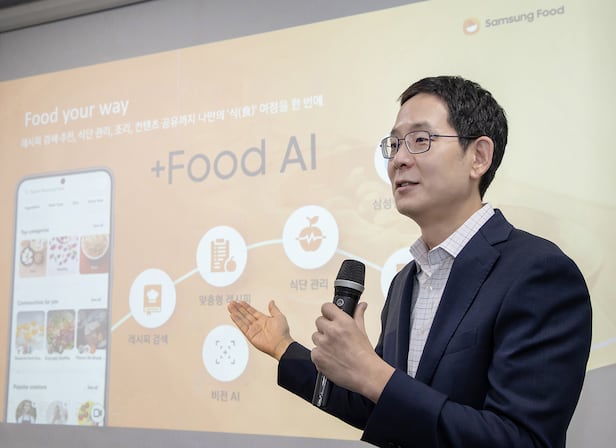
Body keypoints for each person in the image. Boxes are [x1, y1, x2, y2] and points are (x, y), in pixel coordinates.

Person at [228, 75, 592, 448]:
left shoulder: (538, 273)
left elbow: (523, 440)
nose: (399, 159)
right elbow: (383, 405)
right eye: (395, 144)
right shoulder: (407, 281)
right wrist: (283, 347)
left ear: (479, 157)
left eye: (420, 140)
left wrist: (373, 374)